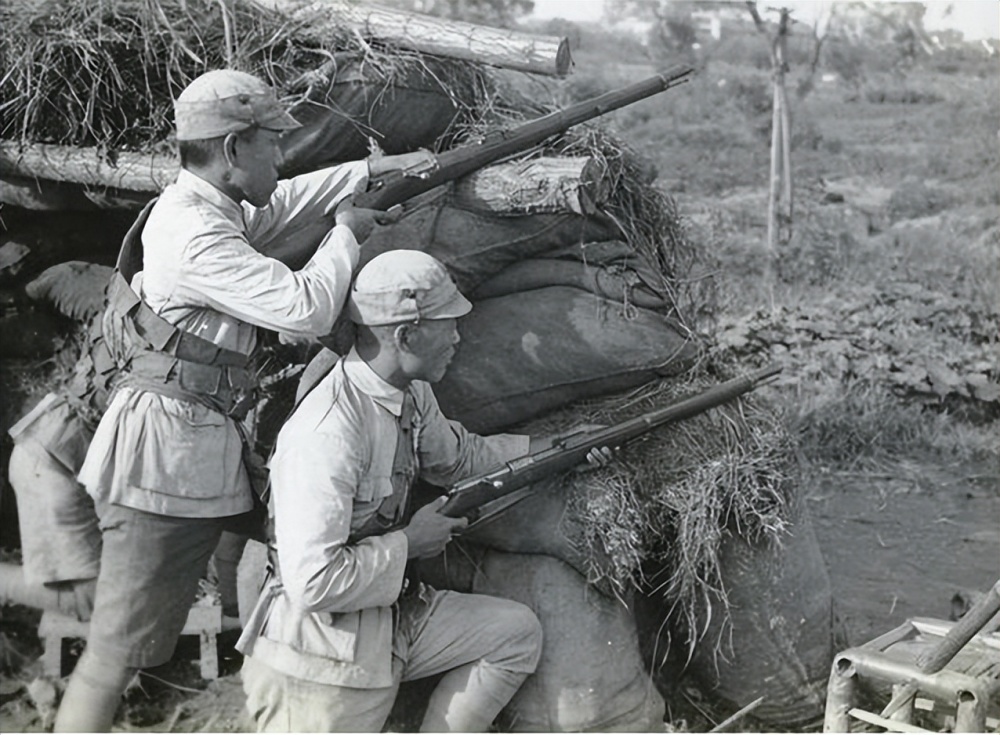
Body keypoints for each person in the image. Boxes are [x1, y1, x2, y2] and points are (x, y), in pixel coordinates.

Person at [53, 69, 426, 732]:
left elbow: (282, 202)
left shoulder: (210, 207)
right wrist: (347, 234)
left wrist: (369, 173)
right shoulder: (193, 235)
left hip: (199, 448)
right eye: (271, 145)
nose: (281, 158)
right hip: (162, 466)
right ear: (233, 151)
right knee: (114, 653)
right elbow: (307, 311)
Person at [236, 250, 610, 732]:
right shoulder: (327, 433)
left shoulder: (408, 392)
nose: (458, 336)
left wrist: (562, 447)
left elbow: (459, 458)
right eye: (447, 323)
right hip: (318, 658)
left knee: (513, 634)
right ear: (406, 335)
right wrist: (410, 542)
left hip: (385, 620)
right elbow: (313, 584)